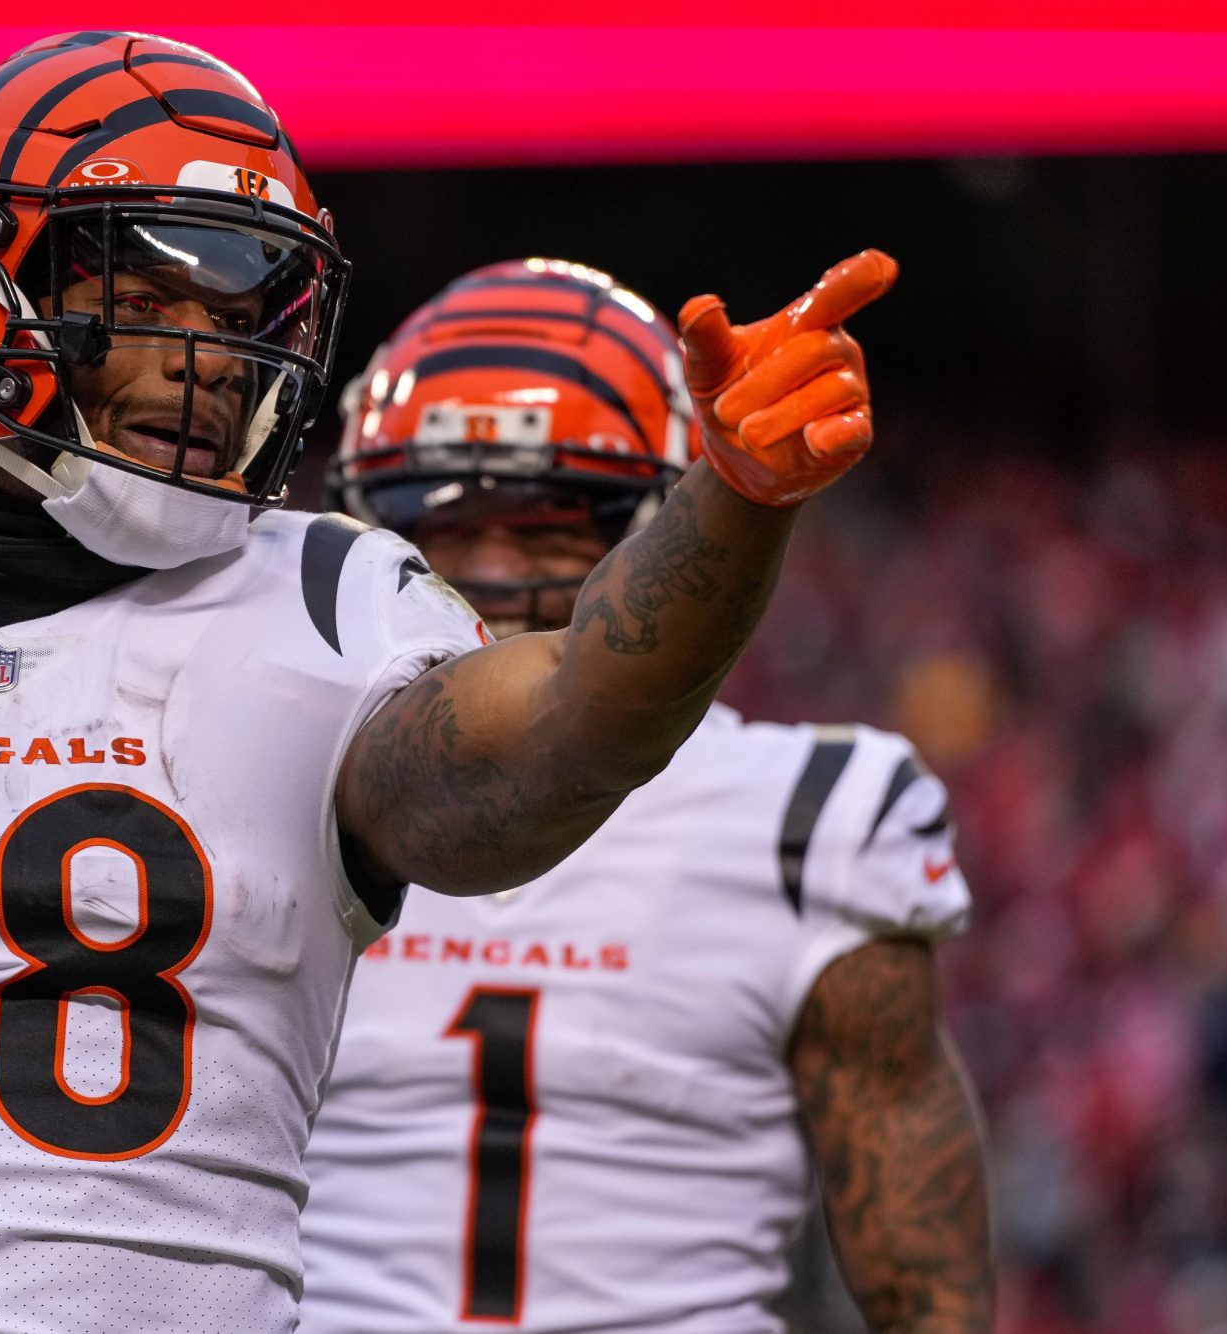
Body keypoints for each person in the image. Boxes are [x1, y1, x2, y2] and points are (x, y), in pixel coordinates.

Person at [0, 32, 895, 1334]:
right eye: (154, 293)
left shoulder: (328, 606)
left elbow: (558, 737)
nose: (213, 358)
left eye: (243, 310)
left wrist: (730, 499)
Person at [301, 259, 993, 1333]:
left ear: (671, 526)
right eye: (437, 520)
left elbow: (922, 1289)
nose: (485, 568)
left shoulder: (806, 816)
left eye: (548, 522)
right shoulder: (276, 764)